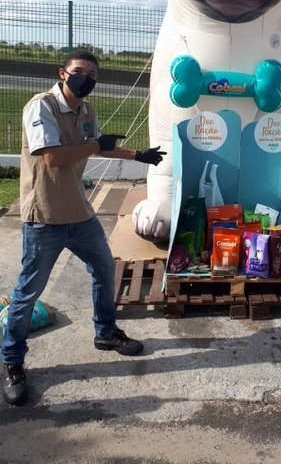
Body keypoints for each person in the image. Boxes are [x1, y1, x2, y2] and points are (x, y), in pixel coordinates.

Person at [2, 49, 167, 406]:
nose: (86, 79)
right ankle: (13, 362)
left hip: (80, 213)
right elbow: (53, 156)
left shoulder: (87, 110)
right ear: (63, 73)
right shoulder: (41, 106)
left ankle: (105, 332)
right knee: (28, 292)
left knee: (105, 270)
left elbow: (96, 147)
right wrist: (95, 145)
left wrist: (138, 156)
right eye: (79, 72)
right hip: (44, 216)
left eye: (92, 74)